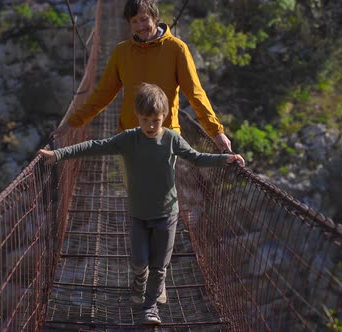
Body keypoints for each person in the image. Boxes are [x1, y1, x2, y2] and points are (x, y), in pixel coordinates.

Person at [40, 83, 245, 325]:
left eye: (156, 120)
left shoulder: (171, 139)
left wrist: (226, 159)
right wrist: (59, 154)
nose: (150, 125)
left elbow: (197, 158)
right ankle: (139, 281)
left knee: (159, 266)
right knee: (139, 262)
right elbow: (94, 146)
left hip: (167, 214)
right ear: (137, 116)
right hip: (139, 214)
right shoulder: (129, 139)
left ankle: (150, 308)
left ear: (165, 117)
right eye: (145, 119)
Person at [53, 0, 232, 153]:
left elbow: (195, 93)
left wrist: (216, 132)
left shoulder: (177, 49)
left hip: (165, 138)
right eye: (134, 21)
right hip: (130, 137)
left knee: (161, 193)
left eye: (144, 19)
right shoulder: (122, 52)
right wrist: (72, 123)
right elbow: (102, 95)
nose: (140, 26)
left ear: (155, 17)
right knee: (134, 193)